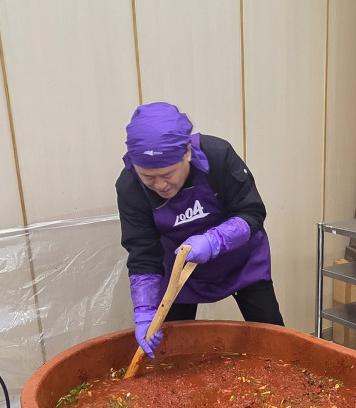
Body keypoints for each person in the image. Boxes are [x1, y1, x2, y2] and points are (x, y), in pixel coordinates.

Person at [117, 102, 282, 358]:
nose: (161, 185)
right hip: (181, 271)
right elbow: (143, 252)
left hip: (242, 262)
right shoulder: (130, 186)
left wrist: (214, 240)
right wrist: (145, 311)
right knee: (172, 350)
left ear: (187, 152)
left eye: (168, 174)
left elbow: (252, 213)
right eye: (148, 177)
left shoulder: (218, 156)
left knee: (274, 340)